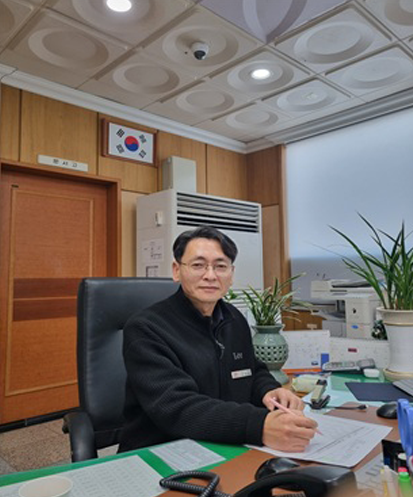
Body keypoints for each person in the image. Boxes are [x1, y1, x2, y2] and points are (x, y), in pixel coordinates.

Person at [119, 226, 318, 453]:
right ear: (176, 271)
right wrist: (258, 425)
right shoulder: (146, 328)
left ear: (231, 274)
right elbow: (176, 406)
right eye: (198, 265)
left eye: (220, 266)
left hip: (225, 443)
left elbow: (252, 370)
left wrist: (270, 390)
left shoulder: (234, 318)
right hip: (163, 449)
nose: (210, 276)